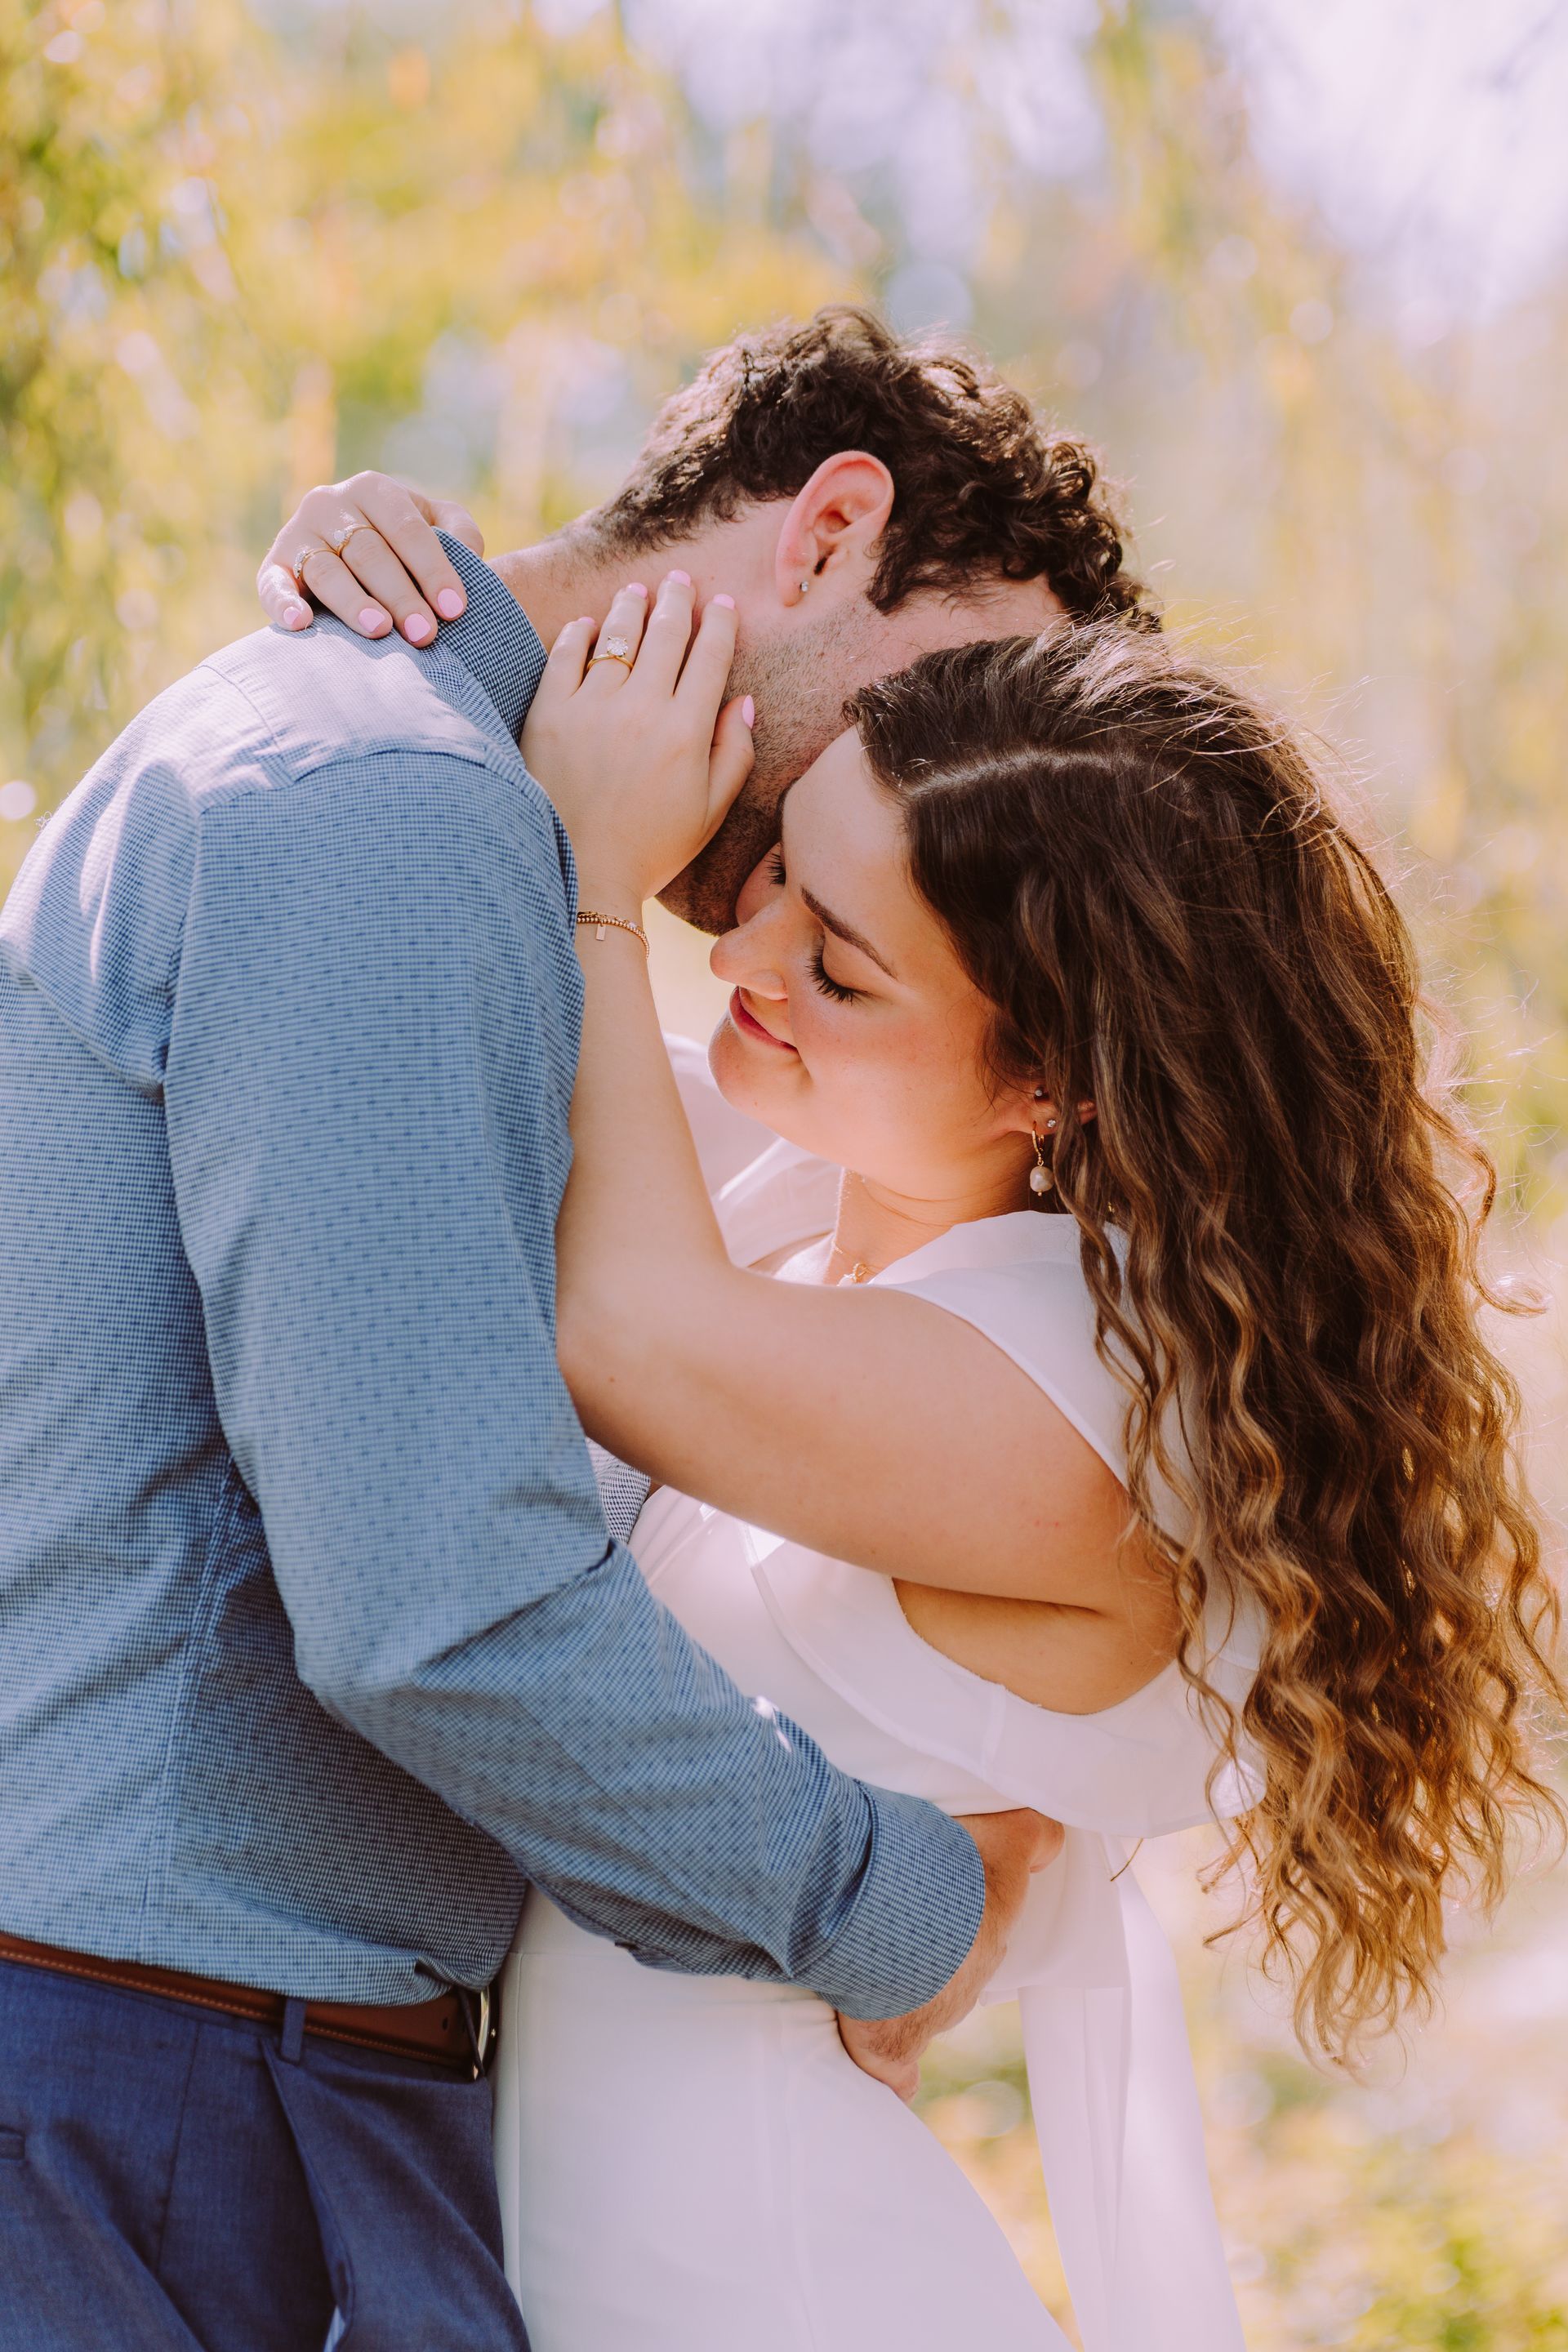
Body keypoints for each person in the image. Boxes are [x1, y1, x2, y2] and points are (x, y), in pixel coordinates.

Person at [0, 308, 1125, 2350]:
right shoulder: (390, 816)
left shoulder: (424, 794)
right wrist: (902, 1911)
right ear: (825, 533)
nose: (951, 804)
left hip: (246, 2073)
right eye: (952, 697)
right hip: (142, 2089)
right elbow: (440, 1600)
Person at [470, 574, 1552, 2350]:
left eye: (835, 963)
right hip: (623, 2244)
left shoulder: (1082, 1395)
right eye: (769, 888)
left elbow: (625, 1332)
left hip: (765, 2283)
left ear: (1053, 1084)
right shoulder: (822, 1209)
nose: (739, 961)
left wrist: (595, 881)